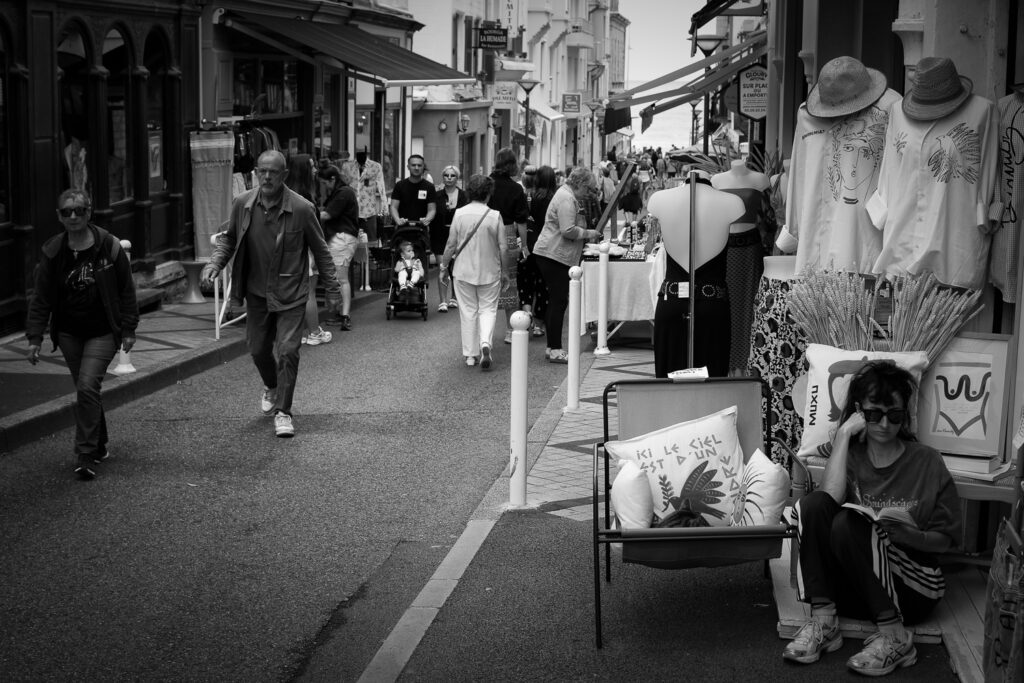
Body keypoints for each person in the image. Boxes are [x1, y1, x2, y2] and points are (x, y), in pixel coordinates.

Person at [783, 361, 961, 677]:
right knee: (812, 506)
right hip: (857, 590)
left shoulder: (927, 462)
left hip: (913, 590)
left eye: (894, 415)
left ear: (904, 415)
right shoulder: (849, 455)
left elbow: (945, 541)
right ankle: (824, 622)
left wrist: (907, 535)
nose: (883, 424)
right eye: (873, 414)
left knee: (848, 525)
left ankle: (895, 637)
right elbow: (829, 500)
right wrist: (844, 436)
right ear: (858, 411)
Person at [201, 150, 341, 439]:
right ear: (255, 172)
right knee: (257, 348)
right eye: (262, 171)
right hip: (256, 292)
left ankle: (283, 412)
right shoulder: (242, 204)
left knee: (288, 351)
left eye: (273, 172)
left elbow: (321, 251)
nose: (266, 177)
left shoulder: (302, 209)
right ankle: (272, 385)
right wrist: (215, 264)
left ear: (284, 175)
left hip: (291, 291)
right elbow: (229, 241)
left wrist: (334, 289)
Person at [26, 189, 139, 480]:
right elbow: (41, 298)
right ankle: (99, 444)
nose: (73, 216)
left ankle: (85, 452)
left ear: (89, 212)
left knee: (87, 386)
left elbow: (127, 290)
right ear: (59, 217)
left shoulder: (109, 246)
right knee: (86, 390)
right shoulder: (53, 251)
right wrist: (35, 337)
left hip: (102, 331)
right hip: (69, 333)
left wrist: (129, 329)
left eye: (79, 210)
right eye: (67, 212)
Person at [533, 167, 604, 363]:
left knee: (556, 301)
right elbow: (567, 230)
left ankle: (551, 347)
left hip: (553, 254)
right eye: (589, 189)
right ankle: (555, 349)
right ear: (580, 184)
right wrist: (589, 233)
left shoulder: (566, 194)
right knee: (558, 302)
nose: (589, 194)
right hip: (554, 255)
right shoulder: (566, 198)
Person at [439, 174, 508, 370]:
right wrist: (505, 272)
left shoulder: (459, 213)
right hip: (490, 271)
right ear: (488, 194)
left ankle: (470, 355)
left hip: (463, 271)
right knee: (488, 309)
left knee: (468, 312)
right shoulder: (494, 215)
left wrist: (443, 267)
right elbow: (503, 247)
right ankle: (485, 342)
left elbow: (451, 244)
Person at [285, 154, 332, 347]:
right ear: (303, 171)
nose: (315, 170)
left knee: (294, 293)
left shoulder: (285, 193)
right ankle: (314, 332)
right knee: (309, 292)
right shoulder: (305, 198)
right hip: (305, 249)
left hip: (288, 249)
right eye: (311, 167)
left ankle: (297, 333)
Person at [487, 148, 530, 344]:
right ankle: (511, 330)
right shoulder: (515, 189)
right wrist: (525, 246)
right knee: (510, 283)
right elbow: (522, 221)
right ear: (513, 165)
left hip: (485, 234)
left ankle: (484, 332)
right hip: (508, 233)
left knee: (485, 282)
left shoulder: (486, 184)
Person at [318, 164, 360, 331]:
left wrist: (306, 213)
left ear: (332, 179)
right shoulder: (342, 192)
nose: (323, 186)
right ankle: (339, 313)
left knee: (340, 278)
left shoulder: (343, 193)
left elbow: (327, 214)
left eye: (324, 183)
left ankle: (344, 315)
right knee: (338, 278)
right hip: (342, 238)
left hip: (342, 238)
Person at [519, 165, 556, 338]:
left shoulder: (528, 196)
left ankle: (526, 314)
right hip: (547, 247)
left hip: (528, 243)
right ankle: (539, 325)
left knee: (526, 281)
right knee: (543, 285)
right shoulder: (554, 199)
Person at [434, 165, 468, 312]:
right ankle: (442, 301)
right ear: (443, 177)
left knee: (456, 268)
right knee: (443, 266)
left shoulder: (464, 195)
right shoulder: (437, 195)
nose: (449, 178)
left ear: (457, 178)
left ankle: (454, 297)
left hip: (458, 235)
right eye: (446, 175)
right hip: (440, 235)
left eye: (452, 176)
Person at [390, 154, 436, 231]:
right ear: (408, 167)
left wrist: (427, 219)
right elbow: (393, 207)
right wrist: (397, 220)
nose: (416, 168)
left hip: (422, 228)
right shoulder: (400, 185)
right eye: (413, 165)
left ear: (423, 167)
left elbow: (432, 209)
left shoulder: (429, 187)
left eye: (419, 165)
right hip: (402, 227)